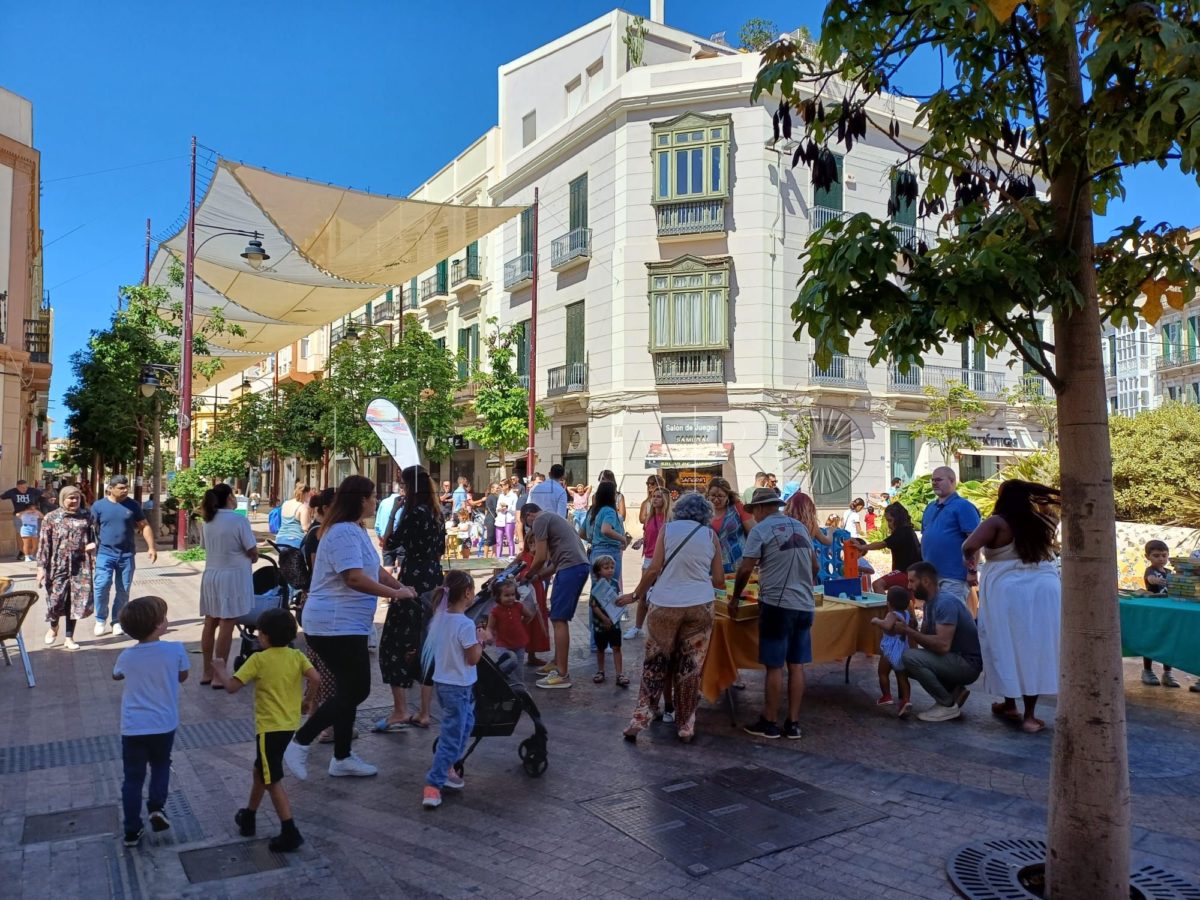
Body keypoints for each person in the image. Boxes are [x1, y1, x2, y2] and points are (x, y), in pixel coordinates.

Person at [284, 476, 416, 780]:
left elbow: (376, 572)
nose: (375, 501)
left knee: (347, 689)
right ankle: (300, 741)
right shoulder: (342, 532)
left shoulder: (354, 530)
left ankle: (341, 757)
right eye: (372, 496)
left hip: (346, 623)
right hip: (334, 623)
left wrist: (401, 587)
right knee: (357, 689)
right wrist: (396, 595)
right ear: (359, 499)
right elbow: (353, 578)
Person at [618, 491, 723, 743]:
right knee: (690, 667)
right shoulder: (711, 535)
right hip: (700, 606)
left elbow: (654, 568)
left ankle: (639, 720)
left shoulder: (668, 529)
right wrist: (698, 581)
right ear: (705, 513)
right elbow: (718, 579)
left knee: (655, 663)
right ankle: (685, 725)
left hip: (664, 604)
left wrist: (635, 595)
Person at [212, 608, 320, 852]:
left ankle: (289, 829)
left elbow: (231, 687)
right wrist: (307, 701)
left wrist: (220, 669)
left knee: (272, 780)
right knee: (260, 770)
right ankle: (249, 815)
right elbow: (316, 679)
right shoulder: (296, 657)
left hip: (269, 728)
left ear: (264, 637)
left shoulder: (258, 660)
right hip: (290, 725)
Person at [964, 480, 1062, 733]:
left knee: (1006, 644)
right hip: (1045, 586)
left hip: (1008, 588)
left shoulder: (996, 522)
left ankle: (1017, 709)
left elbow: (969, 546)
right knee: (1036, 649)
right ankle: (1025, 713)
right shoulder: (1044, 520)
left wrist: (971, 570)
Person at [734, 488, 815, 741]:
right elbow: (815, 566)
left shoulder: (761, 530)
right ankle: (793, 723)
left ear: (759, 508)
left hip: (777, 604)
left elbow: (746, 568)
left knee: (774, 665)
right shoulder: (800, 527)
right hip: (804, 603)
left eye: (753, 511)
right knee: (797, 664)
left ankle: (769, 721)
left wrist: (736, 597)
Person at [112, 596, 189, 847]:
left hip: (133, 726)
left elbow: (116, 675)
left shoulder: (126, 655)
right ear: (159, 625)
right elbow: (183, 676)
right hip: (163, 723)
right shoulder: (175, 649)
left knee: (132, 777)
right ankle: (157, 808)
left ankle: (132, 830)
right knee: (160, 765)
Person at [377, 465, 444, 732]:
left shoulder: (413, 511)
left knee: (396, 641)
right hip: (433, 577)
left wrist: (395, 511)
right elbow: (439, 549)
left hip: (413, 577)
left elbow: (389, 543)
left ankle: (400, 709)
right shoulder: (436, 512)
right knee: (427, 642)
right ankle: (425, 712)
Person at [421, 571, 487, 809]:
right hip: (459, 686)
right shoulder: (465, 624)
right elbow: (472, 659)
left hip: (444, 684)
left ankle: (448, 766)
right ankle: (433, 784)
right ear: (468, 593)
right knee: (452, 736)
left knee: (463, 727)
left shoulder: (440, 619)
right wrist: (482, 639)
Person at [895, 562, 983, 722]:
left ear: (926, 581)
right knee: (901, 662)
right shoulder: (930, 603)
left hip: (967, 664)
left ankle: (947, 705)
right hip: (955, 658)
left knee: (909, 657)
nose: (909, 586)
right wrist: (912, 625)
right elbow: (927, 640)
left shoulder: (945, 602)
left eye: (912, 581)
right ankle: (955, 690)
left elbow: (942, 646)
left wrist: (908, 631)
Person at [522, 502, 590, 690]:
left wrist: (526, 575)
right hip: (576, 567)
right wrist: (536, 576)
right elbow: (551, 564)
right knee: (558, 617)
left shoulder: (540, 520)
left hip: (570, 568)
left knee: (559, 619)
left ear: (529, 515)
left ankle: (562, 674)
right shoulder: (554, 519)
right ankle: (556, 661)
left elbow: (541, 557)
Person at [199, 484, 258, 686]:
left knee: (210, 622)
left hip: (211, 574)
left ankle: (206, 672)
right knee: (227, 623)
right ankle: (219, 674)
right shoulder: (238, 520)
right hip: (233, 577)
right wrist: (254, 556)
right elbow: (252, 550)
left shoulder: (208, 520)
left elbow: (205, 547)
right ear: (230, 497)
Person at [299, 488, 342, 743]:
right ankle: (324, 726)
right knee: (325, 668)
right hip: (320, 601)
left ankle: (316, 721)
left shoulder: (318, 531)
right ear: (326, 508)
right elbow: (319, 571)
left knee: (318, 665)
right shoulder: (318, 534)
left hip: (315, 601)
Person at [92, 475, 157, 637]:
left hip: (127, 555)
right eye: (121, 488)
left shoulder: (133, 505)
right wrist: (89, 548)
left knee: (123, 590)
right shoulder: (99, 506)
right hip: (104, 553)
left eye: (126, 487)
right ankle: (100, 619)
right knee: (101, 585)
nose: (125, 490)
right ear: (110, 489)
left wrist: (151, 547)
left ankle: (117, 621)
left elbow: (144, 525)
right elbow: (89, 527)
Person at [37, 485, 96, 650]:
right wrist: (41, 568)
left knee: (74, 602)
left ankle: (69, 637)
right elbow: (44, 544)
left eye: (77, 498)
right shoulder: (51, 518)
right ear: (63, 499)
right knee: (55, 600)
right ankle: (53, 626)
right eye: (71, 498)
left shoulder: (87, 516)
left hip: (80, 566)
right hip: (57, 566)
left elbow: (94, 537)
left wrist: (93, 546)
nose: (74, 501)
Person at [920, 467, 982, 603]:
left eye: (939, 480)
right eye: (933, 480)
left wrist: (972, 571)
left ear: (952, 480)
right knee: (932, 619)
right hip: (930, 576)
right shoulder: (930, 507)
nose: (934, 483)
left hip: (953, 577)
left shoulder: (963, 507)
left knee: (949, 619)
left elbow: (975, 541)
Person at [626, 484, 671, 640]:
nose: (655, 499)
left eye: (659, 496)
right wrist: (642, 542)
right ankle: (638, 627)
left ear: (666, 500)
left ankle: (660, 627)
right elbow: (649, 535)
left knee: (661, 596)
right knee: (644, 595)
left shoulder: (669, 519)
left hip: (664, 560)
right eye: (654, 496)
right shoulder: (650, 517)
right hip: (649, 558)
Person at [1140, 539, 1181, 688]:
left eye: (1164, 555)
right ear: (1148, 557)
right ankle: (1147, 670)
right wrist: (1155, 581)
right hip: (1154, 611)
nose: (1161, 559)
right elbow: (1150, 579)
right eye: (1156, 555)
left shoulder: (1170, 572)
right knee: (1151, 639)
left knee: (1169, 640)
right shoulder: (1151, 571)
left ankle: (1168, 673)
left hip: (1169, 610)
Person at [855, 502, 922, 592]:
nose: (888, 525)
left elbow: (882, 544)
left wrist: (862, 547)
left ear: (898, 519)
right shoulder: (908, 531)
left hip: (904, 571)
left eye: (890, 520)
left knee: (877, 584)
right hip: (911, 572)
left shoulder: (901, 532)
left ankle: (885, 606)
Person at [870, 586, 915, 718]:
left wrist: (877, 621)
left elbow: (887, 626)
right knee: (902, 676)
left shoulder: (892, 614)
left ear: (888, 603)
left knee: (883, 673)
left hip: (890, 650)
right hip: (902, 649)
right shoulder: (906, 614)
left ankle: (886, 695)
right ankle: (905, 700)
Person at [516, 509, 552, 667]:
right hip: (524, 594)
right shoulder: (523, 557)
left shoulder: (542, 558)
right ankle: (520, 652)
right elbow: (513, 569)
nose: (532, 545)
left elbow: (545, 572)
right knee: (525, 621)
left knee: (536, 622)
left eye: (535, 542)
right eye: (530, 543)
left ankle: (532, 654)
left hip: (537, 591)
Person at [589, 555, 628, 687]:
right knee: (601, 648)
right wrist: (604, 618)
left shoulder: (615, 583)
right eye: (606, 568)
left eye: (612, 567)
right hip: (601, 624)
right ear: (599, 570)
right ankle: (601, 671)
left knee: (617, 647)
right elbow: (593, 605)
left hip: (614, 623)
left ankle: (619, 674)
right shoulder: (596, 586)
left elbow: (617, 600)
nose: (610, 570)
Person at [585, 481, 631, 588]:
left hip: (596, 551)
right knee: (610, 588)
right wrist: (622, 539)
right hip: (609, 551)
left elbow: (583, 533)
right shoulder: (609, 511)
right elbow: (606, 530)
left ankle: (594, 605)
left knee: (597, 589)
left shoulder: (596, 511)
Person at [487, 578, 533, 669]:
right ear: (498, 596)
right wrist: (489, 636)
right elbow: (489, 627)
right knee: (506, 665)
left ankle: (519, 683)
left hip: (519, 642)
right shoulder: (495, 611)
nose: (511, 598)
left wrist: (522, 624)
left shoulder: (519, 606)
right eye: (506, 595)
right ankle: (508, 682)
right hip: (503, 644)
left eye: (513, 594)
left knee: (519, 667)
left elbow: (529, 615)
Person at [707, 477, 750, 574]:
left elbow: (753, 532)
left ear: (728, 496)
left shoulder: (738, 508)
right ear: (708, 494)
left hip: (737, 562)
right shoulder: (703, 510)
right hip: (709, 563)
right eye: (713, 495)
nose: (716, 499)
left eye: (721, 496)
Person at [3, 478, 44, 561]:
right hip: (19, 516)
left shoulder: (33, 491)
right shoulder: (12, 492)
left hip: (32, 515)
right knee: (20, 533)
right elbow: (2, 497)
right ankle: (22, 552)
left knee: (34, 535)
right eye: (22, 488)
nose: (25, 489)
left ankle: (31, 553)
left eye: (26, 487)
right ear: (17, 487)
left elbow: (43, 495)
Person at [274, 485, 312, 550]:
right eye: (309, 494)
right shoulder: (302, 508)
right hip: (295, 540)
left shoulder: (285, 503)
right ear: (305, 493)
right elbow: (305, 528)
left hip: (280, 539)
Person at [374, 481, 402, 549]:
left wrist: (381, 538)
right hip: (399, 541)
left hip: (385, 539)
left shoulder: (383, 502)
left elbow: (377, 524)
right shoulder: (403, 503)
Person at [496, 482, 520, 558]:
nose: (500, 487)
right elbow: (497, 508)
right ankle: (498, 557)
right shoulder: (501, 496)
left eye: (501, 485)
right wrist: (499, 509)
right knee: (498, 541)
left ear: (507, 485)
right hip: (500, 520)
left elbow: (515, 508)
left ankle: (511, 556)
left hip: (509, 520)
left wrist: (507, 507)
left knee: (510, 539)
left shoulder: (513, 496)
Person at [482, 482, 500, 558]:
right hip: (491, 519)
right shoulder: (492, 497)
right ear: (492, 489)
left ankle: (494, 553)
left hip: (491, 519)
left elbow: (487, 510)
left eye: (498, 488)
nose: (498, 489)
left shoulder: (494, 497)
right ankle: (485, 556)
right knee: (489, 538)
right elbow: (493, 509)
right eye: (497, 488)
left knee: (495, 538)